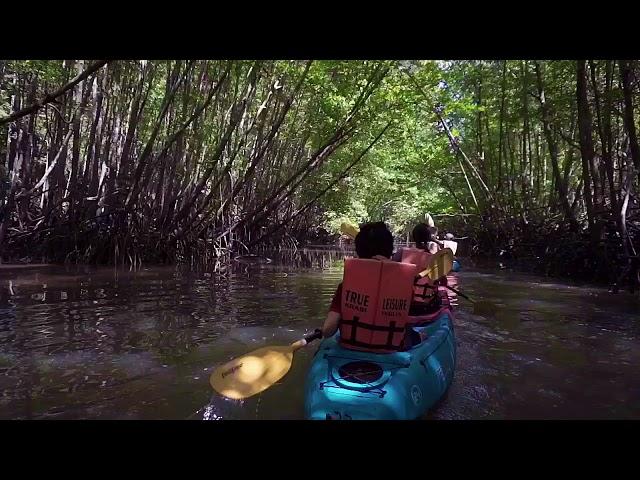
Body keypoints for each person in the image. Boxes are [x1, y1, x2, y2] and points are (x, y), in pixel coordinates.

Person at [321, 222, 395, 339]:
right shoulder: (404, 287)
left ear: (359, 251)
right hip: (390, 348)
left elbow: (328, 331)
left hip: (351, 346)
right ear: (390, 251)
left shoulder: (346, 287)